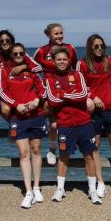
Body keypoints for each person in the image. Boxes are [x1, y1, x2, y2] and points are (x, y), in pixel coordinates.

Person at [44, 47, 101, 205]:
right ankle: (60, 189)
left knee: (89, 156)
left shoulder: (77, 74)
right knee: (63, 157)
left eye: (64, 59)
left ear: (69, 60)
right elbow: (52, 100)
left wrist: (62, 94)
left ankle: (92, 190)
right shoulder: (49, 78)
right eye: (59, 59)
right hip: (65, 124)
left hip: (84, 122)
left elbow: (82, 95)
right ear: (54, 61)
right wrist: (70, 94)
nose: (62, 62)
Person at [77, 34, 111, 199]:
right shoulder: (83, 64)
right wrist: (92, 96)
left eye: (101, 46)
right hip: (93, 111)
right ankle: (101, 183)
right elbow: (80, 85)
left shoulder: (108, 61)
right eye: (95, 46)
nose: (99, 49)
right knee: (95, 146)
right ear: (90, 47)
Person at [0, 43, 47, 208]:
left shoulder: (31, 70)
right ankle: (28, 192)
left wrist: (36, 100)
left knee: (36, 150)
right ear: (11, 55)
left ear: (24, 54)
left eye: (21, 53)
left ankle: (37, 186)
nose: (18, 56)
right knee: (24, 152)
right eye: (15, 54)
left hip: (36, 115)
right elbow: (2, 91)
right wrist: (15, 104)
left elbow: (42, 89)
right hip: (18, 116)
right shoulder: (5, 70)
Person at [33, 23, 77, 166]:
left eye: (61, 33)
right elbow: (31, 66)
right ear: (48, 35)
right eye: (56, 33)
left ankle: (70, 143)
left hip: (68, 89)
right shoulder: (41, 51)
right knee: (53, 125)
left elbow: (77, 68)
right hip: (50, 91)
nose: (59, 36)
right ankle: (52, 149)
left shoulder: (70, 48)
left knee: (71, 120)